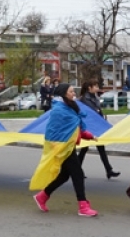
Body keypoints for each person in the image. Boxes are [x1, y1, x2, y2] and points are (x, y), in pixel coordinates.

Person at [31, 83, 98, 217]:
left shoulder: (70, 107)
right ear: (63, 94)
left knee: (65, 175)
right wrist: (59, 145)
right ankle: (83, 206)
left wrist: (89, 136)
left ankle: (42, 196)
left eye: (74, 91)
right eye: (71, 91)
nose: (74, 93)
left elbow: (74, 127)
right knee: (78, 174)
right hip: (61, 147)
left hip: (68, 146)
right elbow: (55, 131)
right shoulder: (58, 110)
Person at [76, 80, 120, 179]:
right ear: (89, 88)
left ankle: (109, 170)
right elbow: (91, 112)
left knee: (100, 148)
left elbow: (98, 111)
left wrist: (102, 118)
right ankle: (78, 171)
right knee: (85, 148)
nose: (97, 88)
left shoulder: (94, 97)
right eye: (95, 86)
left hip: (96, 127)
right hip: (90, 127)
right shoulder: (84, 99)